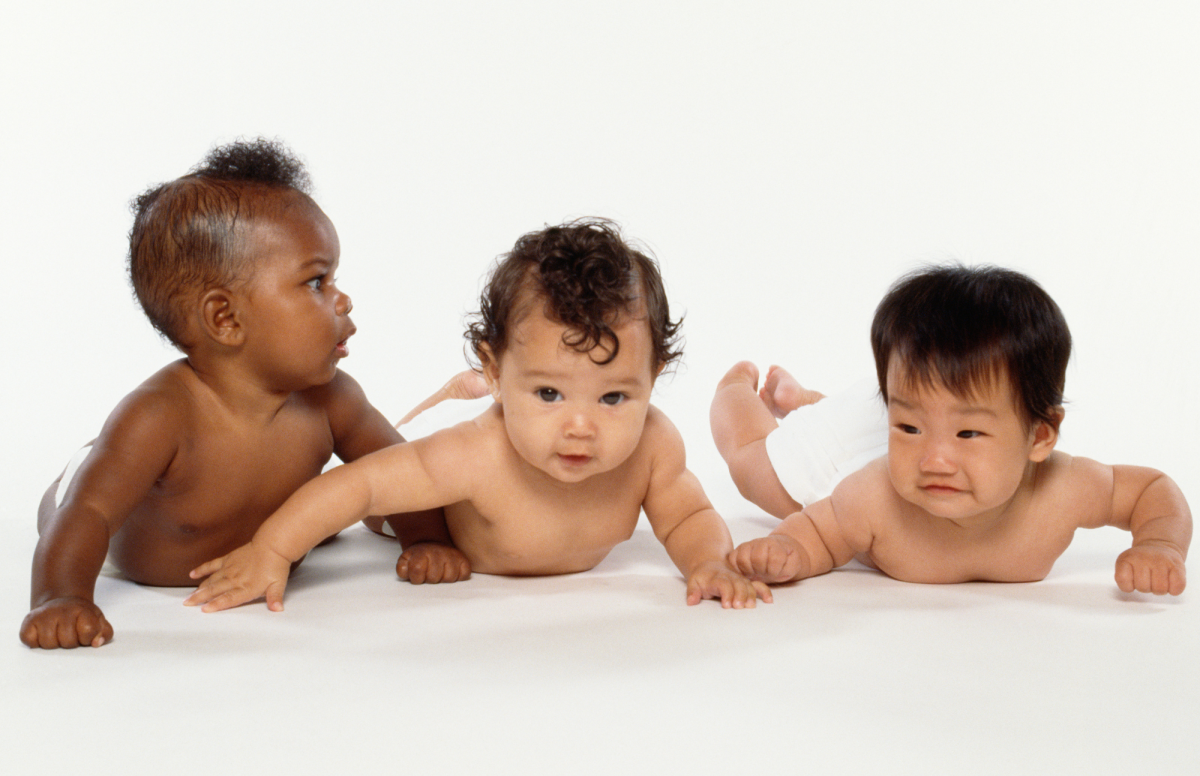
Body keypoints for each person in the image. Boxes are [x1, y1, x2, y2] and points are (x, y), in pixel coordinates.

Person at [185, 219, 772, 611]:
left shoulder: (652, 447)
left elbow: (687, 514)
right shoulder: (474, 454)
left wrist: (710, 563)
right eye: (548, 394)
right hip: (434, 505)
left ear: (655, 376)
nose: (580, 426)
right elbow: (359, 485)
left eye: (614, 397)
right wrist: (273, 550)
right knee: (389, 496)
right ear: (494, 372)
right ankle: (436, 443)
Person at [20, 139, 441, 649]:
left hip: (244, 528)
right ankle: (76, 479)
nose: (343, 298)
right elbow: (90, 515)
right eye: (316, 281)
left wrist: (426, 539)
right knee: (76, 500)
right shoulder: (160, 415)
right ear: (225, 319)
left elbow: (405, 472)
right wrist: (60, 597)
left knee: (339, 500)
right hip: (118, 534)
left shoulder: (333, 400)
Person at [723, 264, 1190, 594]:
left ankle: (812, 400)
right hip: (851, 453)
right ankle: (738, 390)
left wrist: (1160, 544)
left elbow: (1152, 488)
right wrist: (787, 550)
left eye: (969, 435)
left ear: (1041, 436)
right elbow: (819, 535)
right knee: (755, 469)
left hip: (902, 412)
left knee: (917, 414)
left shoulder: (1066, 490)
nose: (935, 460)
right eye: (906, 426)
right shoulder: (872, 496)